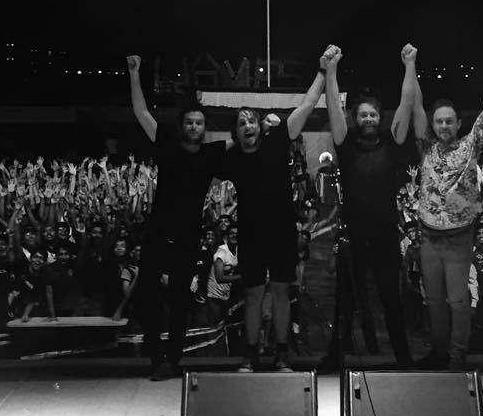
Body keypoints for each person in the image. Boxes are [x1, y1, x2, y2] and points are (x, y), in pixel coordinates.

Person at [227, 44, 333, 372]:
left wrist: (322, 70)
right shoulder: (231, 157)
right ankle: (250, 353)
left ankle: (282, 352)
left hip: (282, 232)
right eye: (241, 122)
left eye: (252, 120)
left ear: (260, 126)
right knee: (254, 294)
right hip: (251, 233)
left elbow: (307, 104)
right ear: (236, 132)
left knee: (282, 292)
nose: (248, 125)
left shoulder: (277, 141)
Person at [322, 43, 424, 369]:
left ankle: (403, 357)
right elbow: (333, 107)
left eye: (373, 115)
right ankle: (334, 357)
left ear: (380, 119)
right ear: (356, 118)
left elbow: (406, 104)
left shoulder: (392, 145)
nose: (368, 118)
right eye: (363, 114)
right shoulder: (346, 144)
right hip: (353, 236)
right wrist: (331, 70)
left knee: (391, 299)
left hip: (384, 237)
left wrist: (410, 65)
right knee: (344, 300)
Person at [127, 54, 227, 381]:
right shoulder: (168, 145)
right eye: (190, 122)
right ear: (182, 126)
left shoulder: (212, 153)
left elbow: (245, 138)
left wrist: (266, 126)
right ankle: (155, 356)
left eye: (199, 123)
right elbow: (142, 113)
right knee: (149, 295)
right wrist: (134, 73)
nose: (194, 127)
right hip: (158, 230)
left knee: (180, 299)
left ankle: (173, 359)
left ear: (204, 128)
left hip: (188, 234)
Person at [416, 44, 483, 368]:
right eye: (438, 122)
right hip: (429, 236)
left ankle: (457, 356)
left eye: (449, 121)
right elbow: (414, 106)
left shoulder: (470, 146)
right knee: (433, 300)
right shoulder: (425, 147)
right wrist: (410, 66)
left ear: (458, 123)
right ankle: (439, 352)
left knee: (457, 300)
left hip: (458, 238)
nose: (443, 126)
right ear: (433, 124)